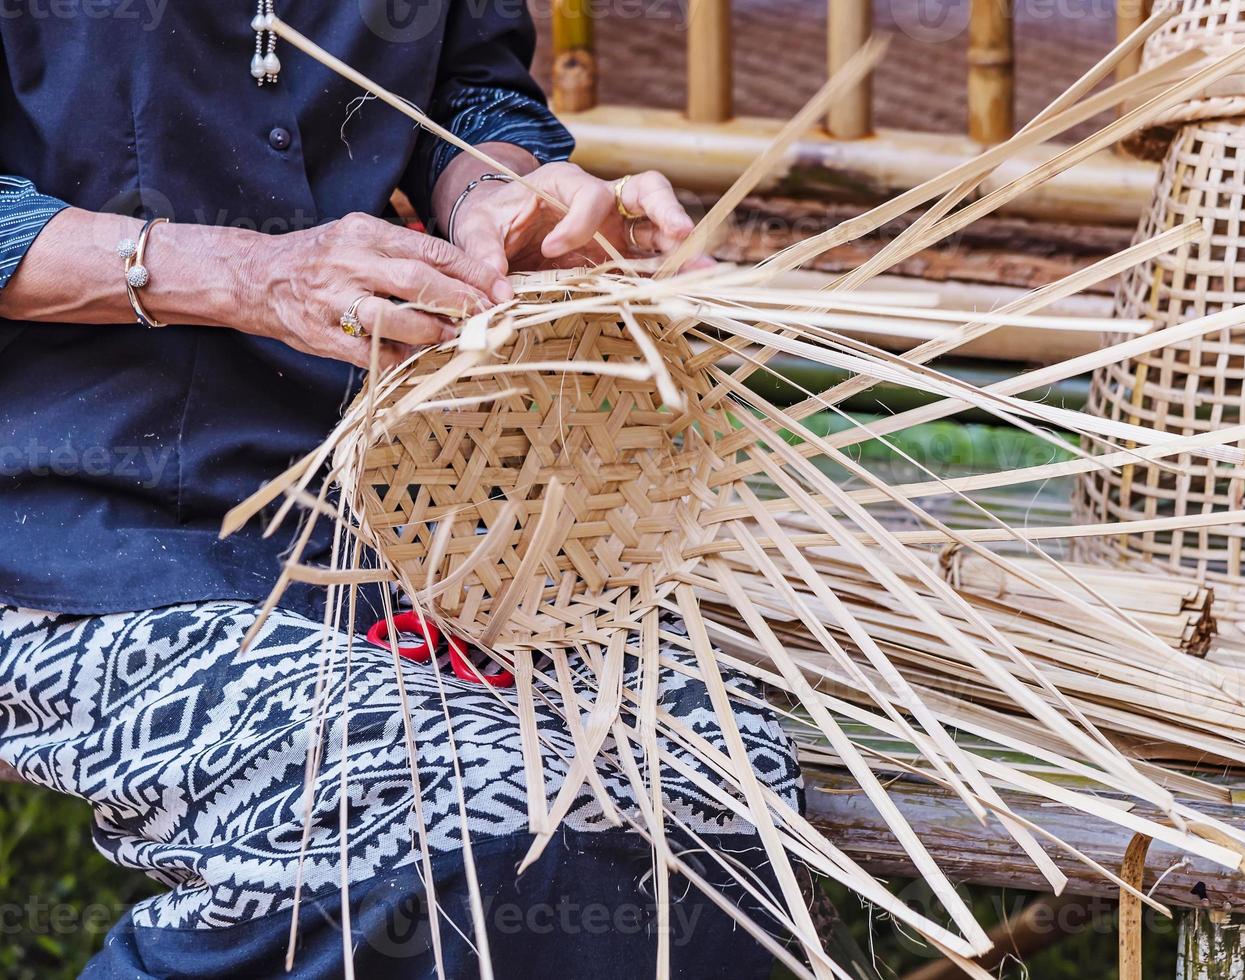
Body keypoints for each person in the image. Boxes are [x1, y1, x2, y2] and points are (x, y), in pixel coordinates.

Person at [0, 3, 799, 976]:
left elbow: (472, 87)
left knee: (718, 796)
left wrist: (499, 196)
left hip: (421, 516)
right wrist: (247, 274)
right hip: (75, 528)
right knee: (450, 829)